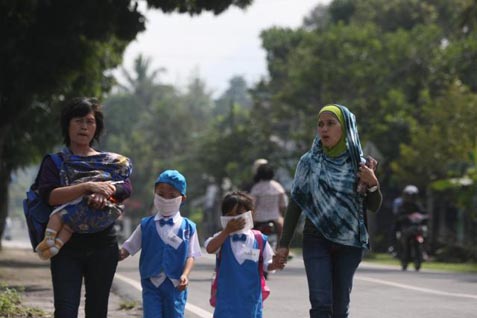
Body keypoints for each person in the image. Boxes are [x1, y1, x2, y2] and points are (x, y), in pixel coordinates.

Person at [274, 104, 382, 318]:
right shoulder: (308, 162)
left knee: (340, 309)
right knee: (321, 304)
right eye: (320, 124)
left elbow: (373, 205)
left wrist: (373, 183)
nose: (324, 129)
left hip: (350, 243)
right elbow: (296, 203)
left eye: (331, 124)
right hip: (316, 238)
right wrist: (284, 244)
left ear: (346, 128)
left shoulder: (360, 165)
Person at [36, 97, 133, 317]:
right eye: (78, 120)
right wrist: (88, 187)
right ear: (67, 124)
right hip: (66, 247)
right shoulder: (54, 162)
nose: (84, 126)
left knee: (97, 310)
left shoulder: (110, 163)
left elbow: (125, 188)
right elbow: (50, 196)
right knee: (65, 310)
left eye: (90, 121)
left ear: (96, 127)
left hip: (103, 244)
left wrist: (105, 196)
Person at [119, 169, 201, 318]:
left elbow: (191, 255)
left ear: (182, 198)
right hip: (151, 283)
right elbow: (128, 248)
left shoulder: (189, 227)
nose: (166, 199)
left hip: (176, 285)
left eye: (172, 195)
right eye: (161, 194)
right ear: (155, 194)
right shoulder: (145, 225)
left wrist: (185, 274)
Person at [35, 153, 131, 260]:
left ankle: (49, 239)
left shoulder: (110, 166)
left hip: (79, 205)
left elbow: (126, 188)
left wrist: (106, 192)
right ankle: (57, 245)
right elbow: (49, 196)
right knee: (68, 228)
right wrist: (91, 187)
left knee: (57, 216)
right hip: (81, 226)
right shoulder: (57, 160)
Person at [204, 191, 283, 318]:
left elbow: (267, 264)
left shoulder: (259, 239)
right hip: (226, 301)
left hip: (250, 301)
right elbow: (210, 248)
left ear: (250, 213)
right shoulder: (222, 238)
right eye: (230, 215)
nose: (234, 218)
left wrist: (275, 264)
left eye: (239, 214)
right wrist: (226, 231)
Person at [250, 163, 288, 240]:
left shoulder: (256, 188)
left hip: (258, 218)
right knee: (284, 233)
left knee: (250, 234)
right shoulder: (278, 187)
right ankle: (282, 248)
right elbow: (283, 205)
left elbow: (251, 205)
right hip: (275, 217)